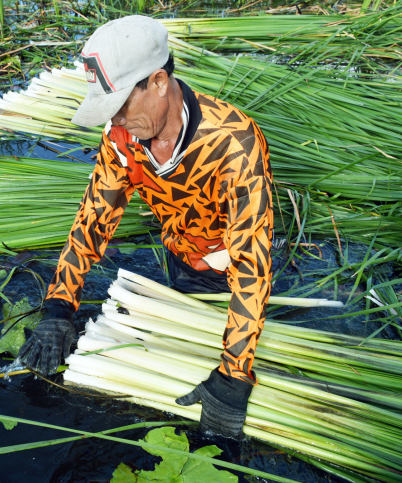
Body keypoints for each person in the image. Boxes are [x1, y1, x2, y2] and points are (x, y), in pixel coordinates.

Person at [18, 15, 273, 439]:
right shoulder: (123, 140)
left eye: (120, 106)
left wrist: (234, 374)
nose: (114, 122)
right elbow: (94, 218)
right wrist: (60, 305)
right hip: (180, 261)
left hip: (230, 274)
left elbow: (251, 262)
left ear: (157, 82)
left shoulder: (234, 143)